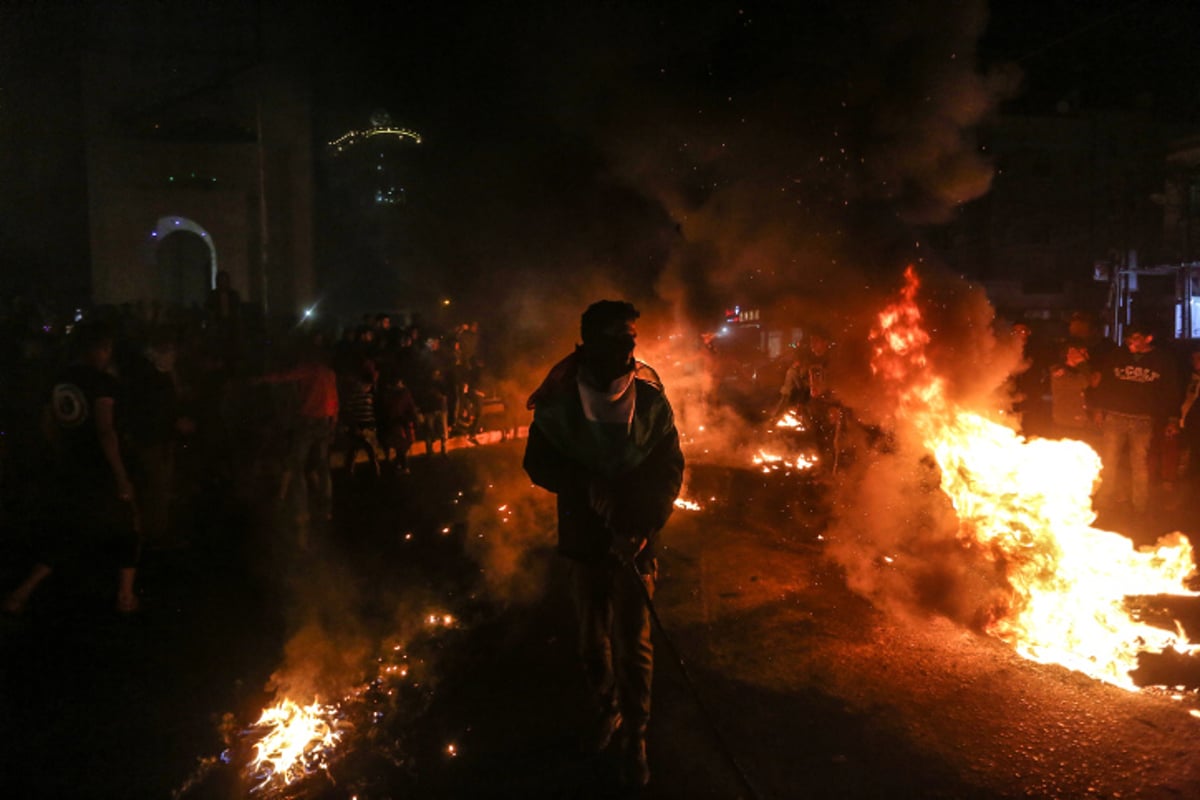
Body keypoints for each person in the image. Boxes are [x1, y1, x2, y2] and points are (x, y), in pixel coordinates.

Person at [523, 300, 684, 788]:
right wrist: (583, 481)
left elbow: (668, 472)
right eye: (617, 337)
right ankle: (606, 708)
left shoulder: (651, 402)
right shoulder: (560, 402)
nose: (629, 345)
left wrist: (639, 527)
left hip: (635, 543)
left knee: (632, 644)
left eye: (631, 336)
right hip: (584, 541)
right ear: (589, 342)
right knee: (593, 640)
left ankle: (635, 736)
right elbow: (538, 463)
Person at [5, 322, 140, 614]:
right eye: (106, 349)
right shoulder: (101, 382)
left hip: (71, 467)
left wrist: (63, 451)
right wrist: (121, 476)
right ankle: (126, 595)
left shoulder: (59, 379)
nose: (108, 356)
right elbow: (106, 431)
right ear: (97, 348)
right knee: (126, 526)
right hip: (100, 470)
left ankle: (22, 591)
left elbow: (47, 423)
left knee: (67, 530)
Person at [1090, 322, 1181, 513]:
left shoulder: (1162, 360)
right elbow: (1105, 383)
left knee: (1140, 465)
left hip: (1143, 420)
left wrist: (1173, 419)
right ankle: (1104, 502)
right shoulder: (1117, 356)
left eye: (1137, 338)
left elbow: (1171, 391)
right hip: (1115, 417)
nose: (1131, 341)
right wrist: (1099, 408)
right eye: (1130, 338)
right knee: (1109, 461)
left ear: (1149, 338)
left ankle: (1140, 506)